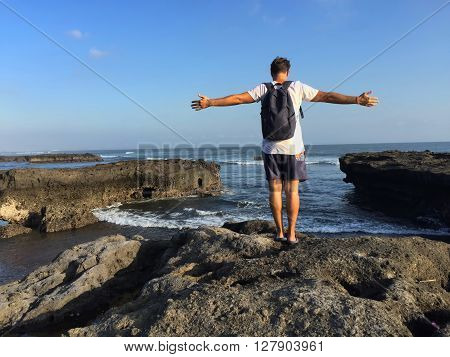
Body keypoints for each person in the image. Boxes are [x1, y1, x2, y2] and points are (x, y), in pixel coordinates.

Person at [191, 56, 379, 244]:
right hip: (293, 148)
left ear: (271, 72)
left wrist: (211, 102)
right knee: (292, 191)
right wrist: (356, 99)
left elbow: (238, 99)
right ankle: (291, 234)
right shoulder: (297, 87)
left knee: (274, 191)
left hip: (270, 148)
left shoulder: (263, 88)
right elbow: (327, 96)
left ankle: (279, 232)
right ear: (287, 72)